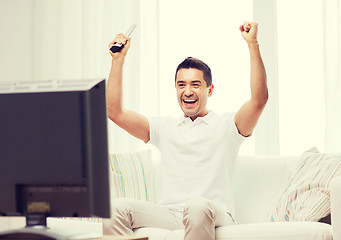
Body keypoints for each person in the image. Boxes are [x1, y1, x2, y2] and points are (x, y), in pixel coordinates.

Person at [103, 22, 268, 240]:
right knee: (115, 209)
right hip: (171, 215)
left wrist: (253, 44)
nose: (187, 91)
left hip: (214, 213)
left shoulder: (228, 126)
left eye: (195, 84)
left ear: (210, 89)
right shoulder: (164, 128)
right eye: (181, 85)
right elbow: (115, 112)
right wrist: (118, 60)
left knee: (196, 205)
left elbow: (259, 100)